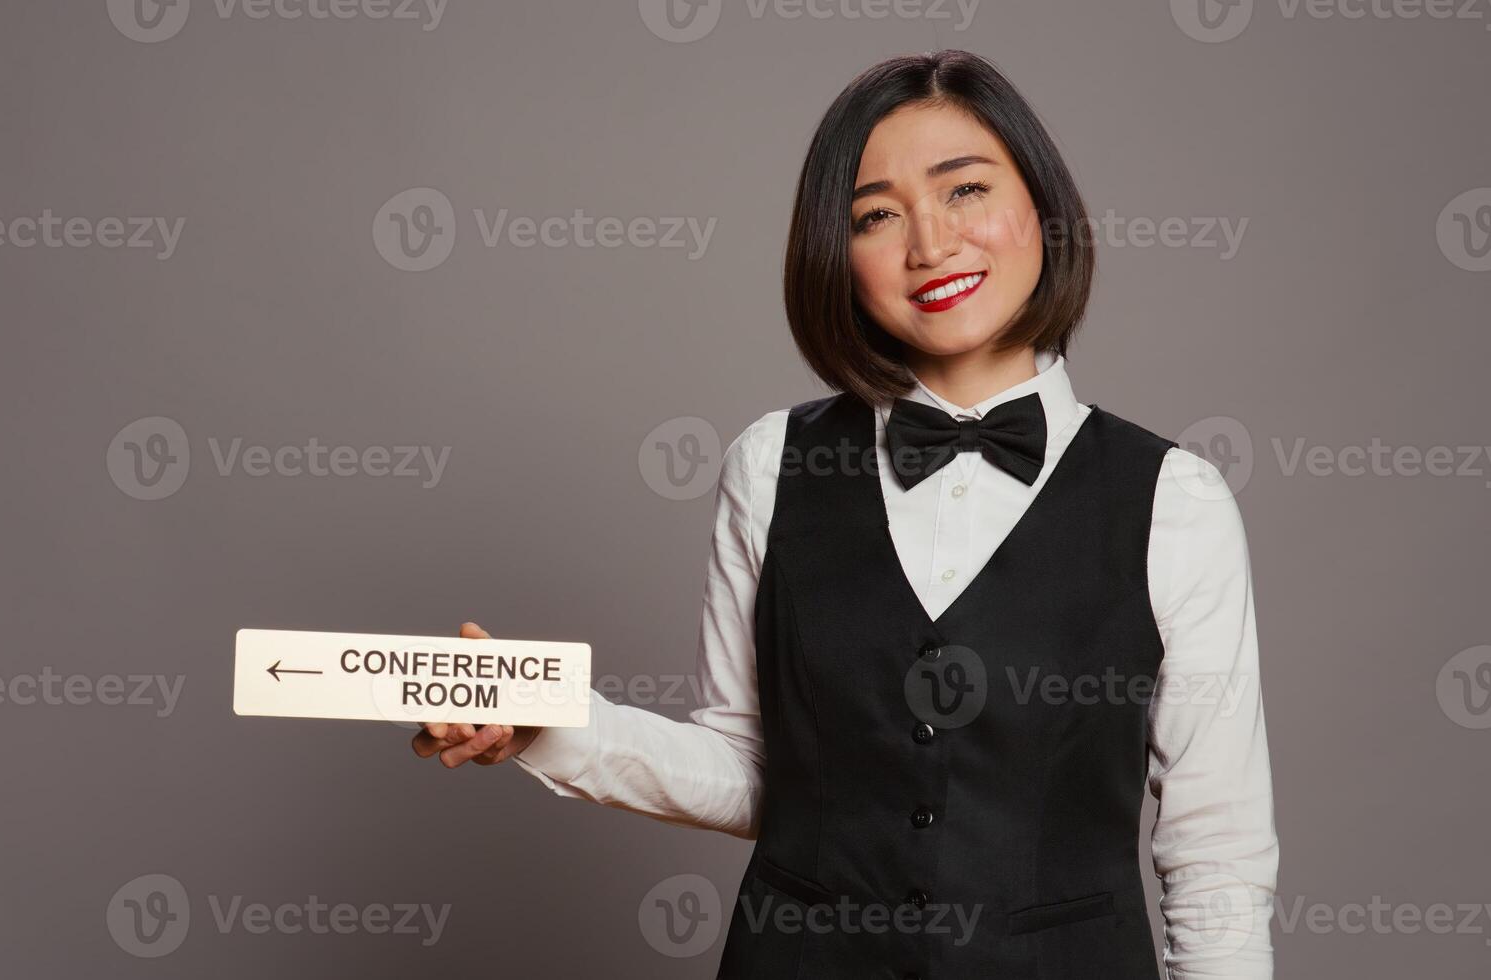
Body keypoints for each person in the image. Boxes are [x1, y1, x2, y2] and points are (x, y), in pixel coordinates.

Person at [410, 49, 1277, 980]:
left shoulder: (1174, 500)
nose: (930, 244)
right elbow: (752, 770)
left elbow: (1215, 851)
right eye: (875, 215)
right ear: (837, 252)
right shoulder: (768, 464)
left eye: (963, 190)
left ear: (1042, 208)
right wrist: (546, 721)